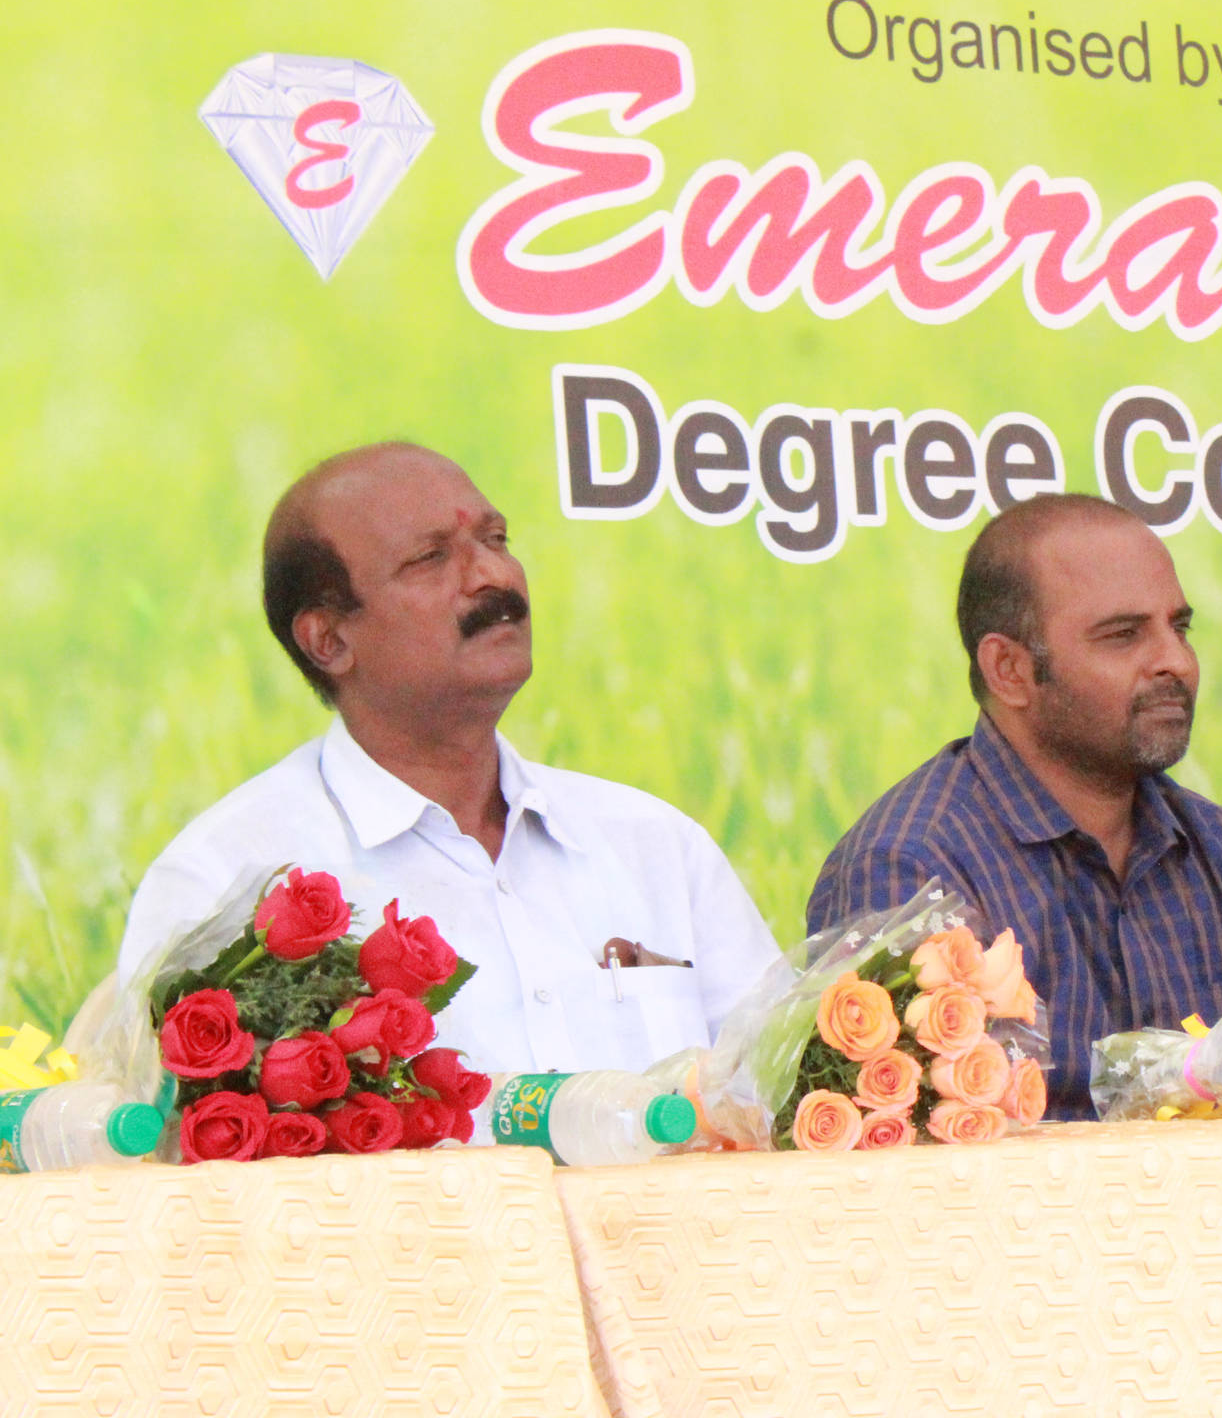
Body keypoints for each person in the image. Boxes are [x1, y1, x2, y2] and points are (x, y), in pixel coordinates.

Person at [116, 443, 781, 1077]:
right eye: (430, 558)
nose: (495, 576)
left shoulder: (654, 845)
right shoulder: (226, 878)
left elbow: (781, 1095)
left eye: (496, 539)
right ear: (328, 640)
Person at [807, 494, 1222, 1118]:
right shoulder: (911, 871)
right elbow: (913, 1157)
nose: (1175, 661)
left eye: (1179, 628)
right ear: (1010, 670)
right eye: (1123, 635)